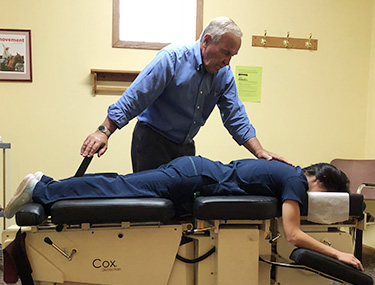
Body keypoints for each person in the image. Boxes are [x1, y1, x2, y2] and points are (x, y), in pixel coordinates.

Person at [5, 156, 363, 271]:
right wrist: (338, 253)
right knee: (120, 187)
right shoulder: (295, 180)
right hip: (193, 177)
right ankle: (44, 189)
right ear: (317, 180)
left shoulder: (287, 171)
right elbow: (293, 234)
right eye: (325, 194)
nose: (320, 200)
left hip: (195, 173)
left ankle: (48, 187)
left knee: (121, 182)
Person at [80, 17, 290, 172]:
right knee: (153, 209)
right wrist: (103, 131)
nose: (228, 62)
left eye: (232, 56)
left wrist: (259, 151)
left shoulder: (224, 75)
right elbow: (136, 97)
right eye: (226, 53)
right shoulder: (171, 59)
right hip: (152, 142)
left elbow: (235, 117)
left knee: (181, 211)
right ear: (207, 41)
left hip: (185, 146)